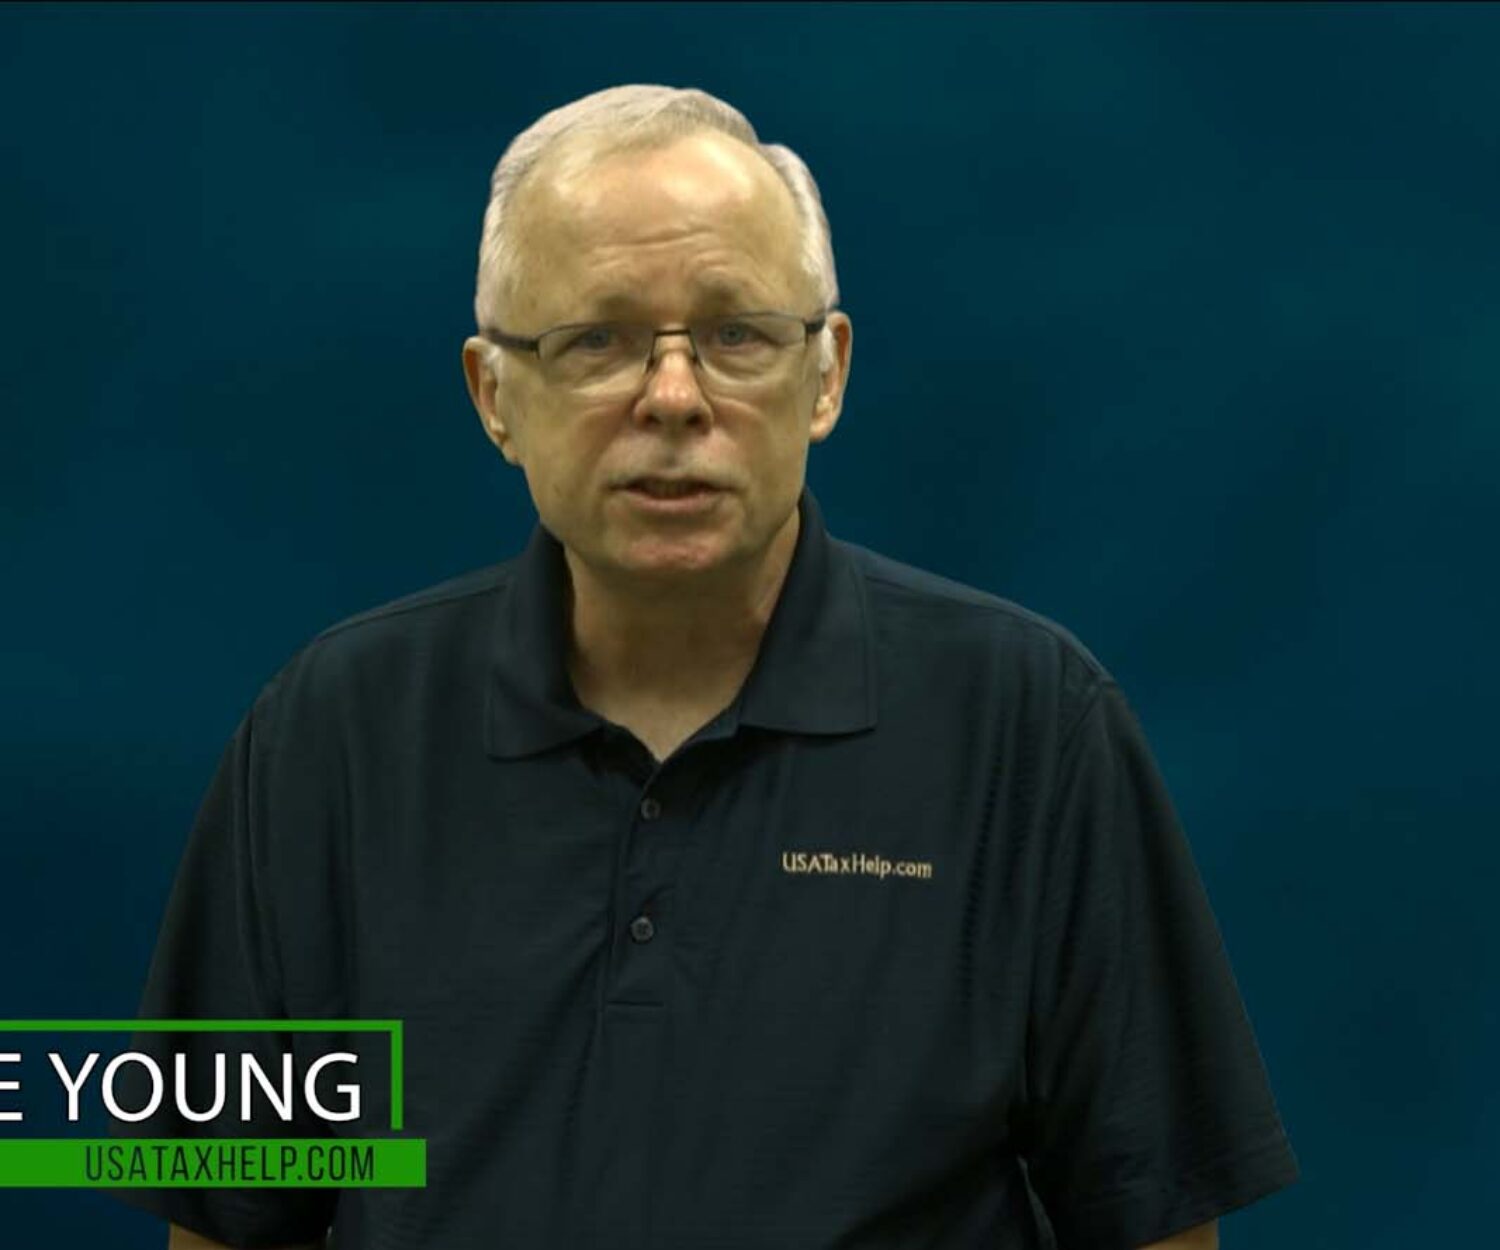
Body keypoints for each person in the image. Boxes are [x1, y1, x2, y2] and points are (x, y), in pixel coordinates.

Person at [120, 85, 1299, 1250]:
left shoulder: (1030, 725)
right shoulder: (329, 731)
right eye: (597, 340)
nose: (674, 398)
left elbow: (1152, 1216)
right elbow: (225, 1209)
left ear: (826, 372)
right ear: (494, 394)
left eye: (738, 335)